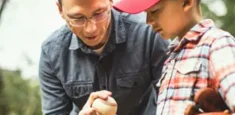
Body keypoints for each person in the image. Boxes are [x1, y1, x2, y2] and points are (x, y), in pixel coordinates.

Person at [114, 0, 235, 114]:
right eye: (146, 14)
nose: (148, 21)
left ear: (187, 2)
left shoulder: (216, 43)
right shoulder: (172, 57)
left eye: (154, 11)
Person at [38, 0, 169, 115]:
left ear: (111, 1)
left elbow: (173, 102)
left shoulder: (149, 33)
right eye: (78, 18)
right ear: (61, 10)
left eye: (99, 13)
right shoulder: (51, 53)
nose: (91, 29)